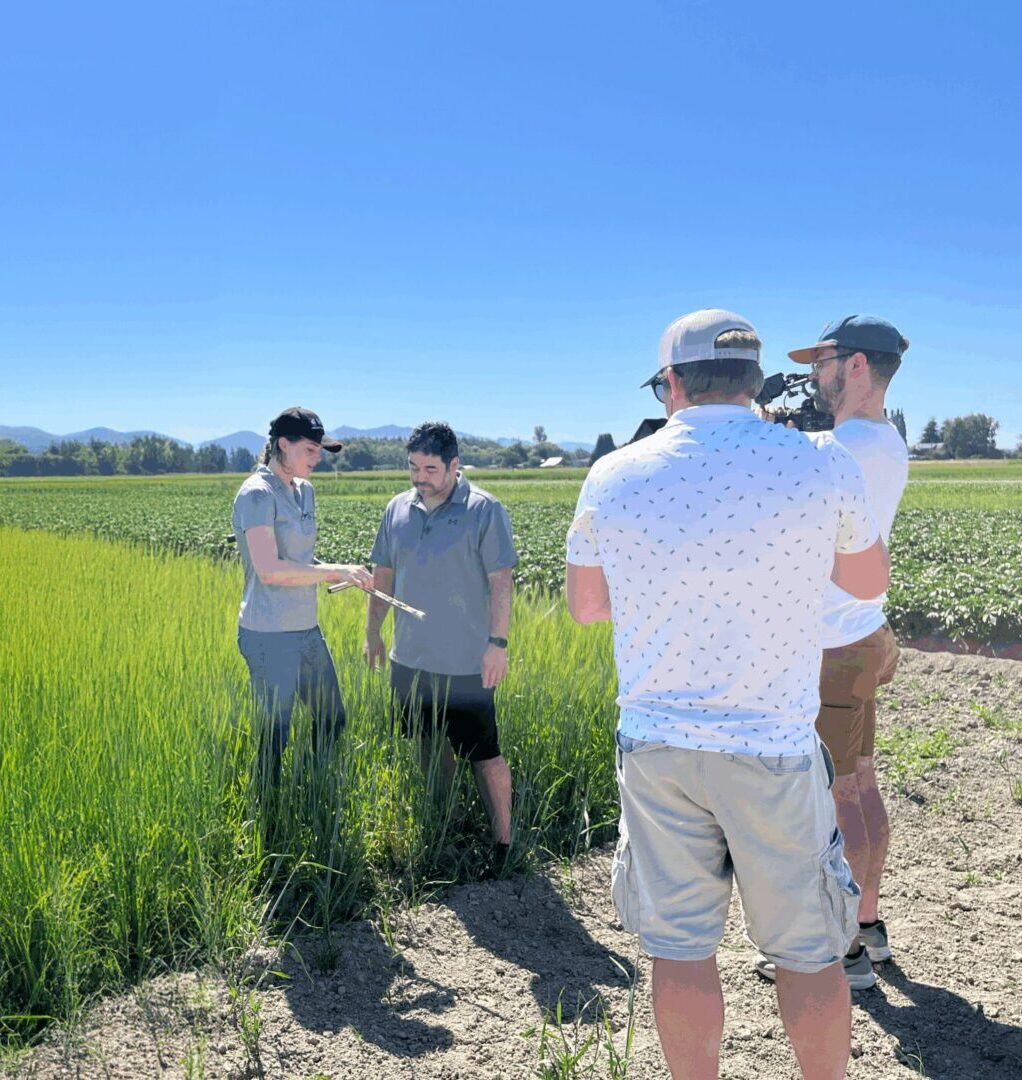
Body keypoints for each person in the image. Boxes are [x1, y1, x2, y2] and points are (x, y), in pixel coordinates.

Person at [565, 309, 890, 1080]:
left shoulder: (614, 473)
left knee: (678, 948)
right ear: (755, 380)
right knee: (808, 951)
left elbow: (586, 606)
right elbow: (867, 584)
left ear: (673, 383)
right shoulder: (819, 461)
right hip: (771, 743)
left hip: (657, 746)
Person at [755, 317, 909, 987]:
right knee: (864, 784)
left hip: (829, 644)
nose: (814, 376)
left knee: (839, 795)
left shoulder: (838, 449)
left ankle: (843, 949)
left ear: (853, 367)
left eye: (823, 363)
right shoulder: (883, 440)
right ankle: (867, 926)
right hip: (861, 632)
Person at [364, 421, 517, 860]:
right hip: (410, 658)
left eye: (430, 469)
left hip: (468, 662)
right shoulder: (396, 509)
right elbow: (384, 577)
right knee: (428, 742)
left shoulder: (485, 510)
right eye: (413, 467)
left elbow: (501, 581)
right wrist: (373, 633)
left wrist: (498, 644)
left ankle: (503, 841)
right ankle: (442, 821)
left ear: (454, 465)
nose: (419, 478)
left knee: (484, 754)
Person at [232, 407, 373, 779]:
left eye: (320, 450)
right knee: (275, 735)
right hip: (267, 635)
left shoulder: (305, 491)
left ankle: (313, 792)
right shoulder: (257, 495)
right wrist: (333, 572)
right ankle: (269, 818)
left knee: (331, 718)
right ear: (283, 444)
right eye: (310, 450)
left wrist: (343, 572)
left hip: (305, 630)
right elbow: (270, 570)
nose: (318, 458)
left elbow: (298, 558)